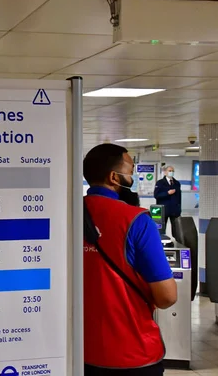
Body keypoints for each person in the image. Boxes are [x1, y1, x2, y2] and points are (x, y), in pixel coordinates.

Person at [83, 144, 176, 376]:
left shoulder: (66, 214)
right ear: (114, 177)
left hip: (79, 351)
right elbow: (166, 297)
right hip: (132, 353)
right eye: (130, 171)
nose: (132, 177)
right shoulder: (136, 220)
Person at [154, 165, 182, 236]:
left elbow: (179, 197)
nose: (171, 172)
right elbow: (156, 195)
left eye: (172, 171)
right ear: (165, 172)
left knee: (176, 230)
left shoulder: (177, 183)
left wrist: (179, 208)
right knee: (161, 229)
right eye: (169, 171)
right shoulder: (160, 183)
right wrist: (167, 193)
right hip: (164, 209)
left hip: (174, 210)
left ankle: (177, 242)